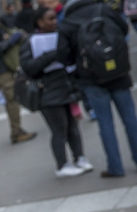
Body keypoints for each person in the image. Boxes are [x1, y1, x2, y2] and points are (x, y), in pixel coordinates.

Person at [57, 0, 137, 177]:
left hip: (91, 78)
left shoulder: (68, 21)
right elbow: (123, 28)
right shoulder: (104, 9)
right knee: (130, 118)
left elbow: (63, 55)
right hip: (118, 72)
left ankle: (115, 167)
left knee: (105, 123)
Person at [20, 7, 94, 178]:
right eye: (50, 19)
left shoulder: (62, 34)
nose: (54, 21)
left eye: (55, 18)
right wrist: (52, 54)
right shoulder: (30, 41)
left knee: (72, 127)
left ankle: (80, 157)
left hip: (66, 86)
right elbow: (29, 67)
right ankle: (62, 165)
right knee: (59, 129)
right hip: (47, 91)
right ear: (39, 22)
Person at [0, 1, 37, 144]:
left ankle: (18, 130)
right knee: (12, 100)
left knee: (12, 99)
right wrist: (10, 41)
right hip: (0, 70)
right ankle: (16, 133)